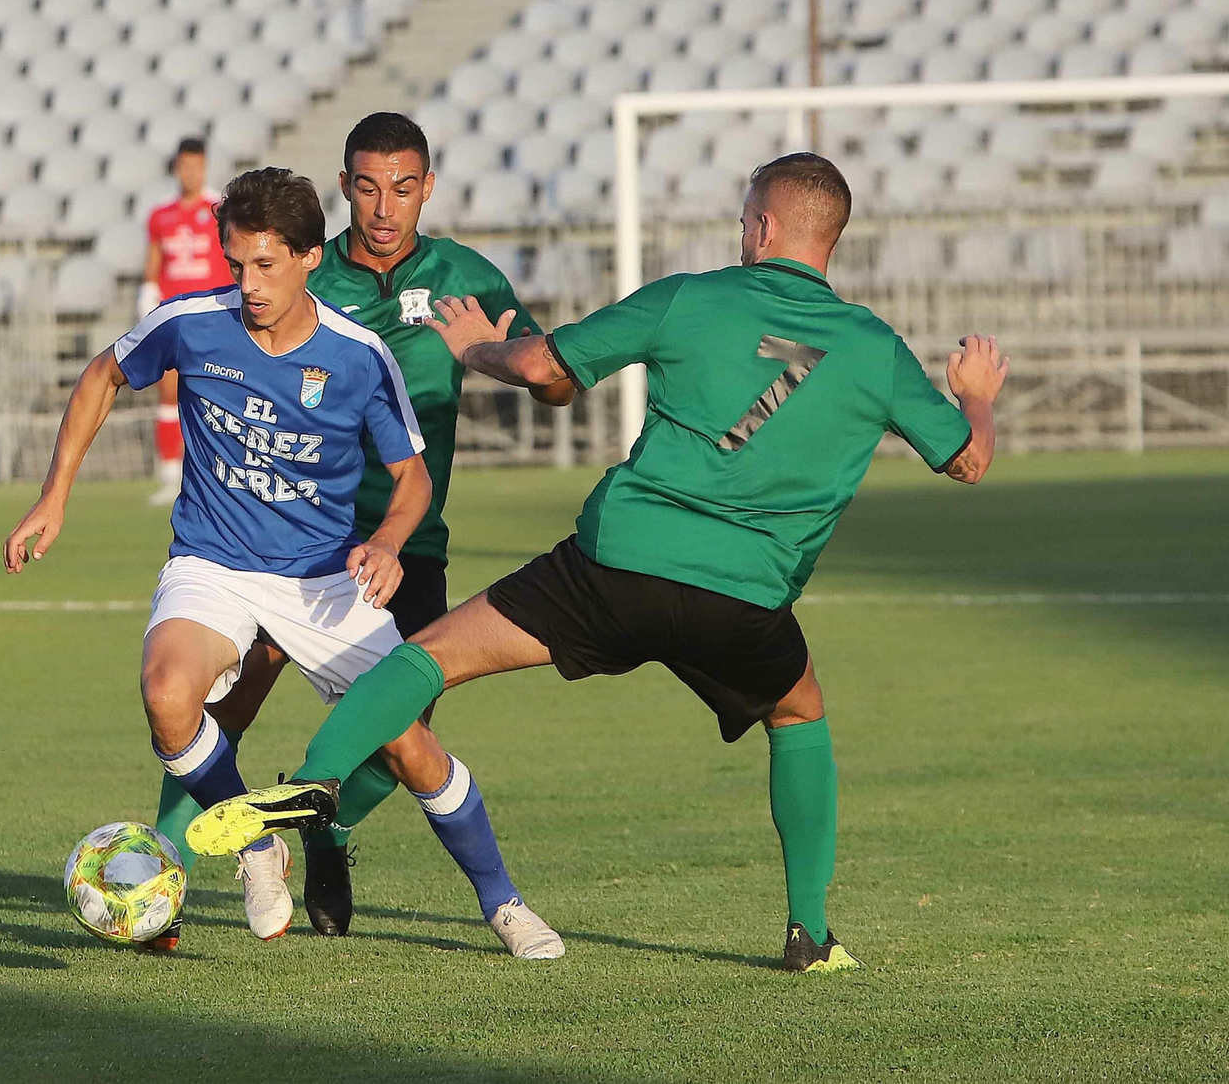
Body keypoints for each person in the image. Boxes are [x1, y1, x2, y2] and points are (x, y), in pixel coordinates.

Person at [188, 153, 1012, 973]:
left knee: (428, 657)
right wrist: (975, 392)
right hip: (743, 597)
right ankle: (810, 934)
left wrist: (476, 350)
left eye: (743, 221)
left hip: (613, 569)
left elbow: (542, 366)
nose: (740, 234)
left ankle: (318, 780)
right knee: (797, 713)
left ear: (764, 226)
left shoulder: (691, 297)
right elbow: (969, 461)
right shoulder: (873, 348)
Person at [3, 167, 562, 959]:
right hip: (213, 564)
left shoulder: (359, 355)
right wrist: (54, 496)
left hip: (324, 579)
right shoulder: (192, 323)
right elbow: (103, 374)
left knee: (410, 749)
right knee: (167, 695)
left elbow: (412, 477)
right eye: (237, 265)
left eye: (266, 265)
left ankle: (504, 903)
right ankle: (258, 845)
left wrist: (388, 542)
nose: (249, 285)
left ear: (307, 257)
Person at [151, 111, 572, 938]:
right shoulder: (298, 267)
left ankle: (327, 827)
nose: (385, 208)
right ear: (345, 187)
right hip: (290, 539)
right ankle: (165, 878)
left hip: (407, 543)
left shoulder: (467, 280)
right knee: (223, 702)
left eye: (403, 189)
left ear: (428, 188)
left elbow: (555, 381)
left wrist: (491, 355)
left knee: (403, 735)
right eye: (369, 188)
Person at [138, 138, 234, 507]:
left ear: (204, 167)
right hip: (174, 315)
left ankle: (218, 472)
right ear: (176, 168)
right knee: (168, 391)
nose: (190, 173)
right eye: (184, 166)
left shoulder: (220, 210)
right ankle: (170, 475)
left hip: (214, 313)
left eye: (196, 166)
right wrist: (148, 292)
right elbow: (154, 260)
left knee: (216, 392)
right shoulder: (160, 215)